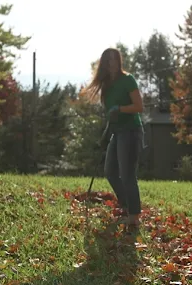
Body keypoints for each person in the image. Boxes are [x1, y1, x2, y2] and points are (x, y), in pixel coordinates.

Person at [85, 47, 145, 229]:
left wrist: (120, 109)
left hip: (131, 131)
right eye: (108, 60)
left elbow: (139, 106)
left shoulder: (127, 80)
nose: (111, 63)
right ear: (103, 64)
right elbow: (111, 113)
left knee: (127, 174)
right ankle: (126, 205)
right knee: (110, 171)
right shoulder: (107, 85)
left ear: (119, 61)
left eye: (114, 59)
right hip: (117, 132)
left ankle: (134, 215)